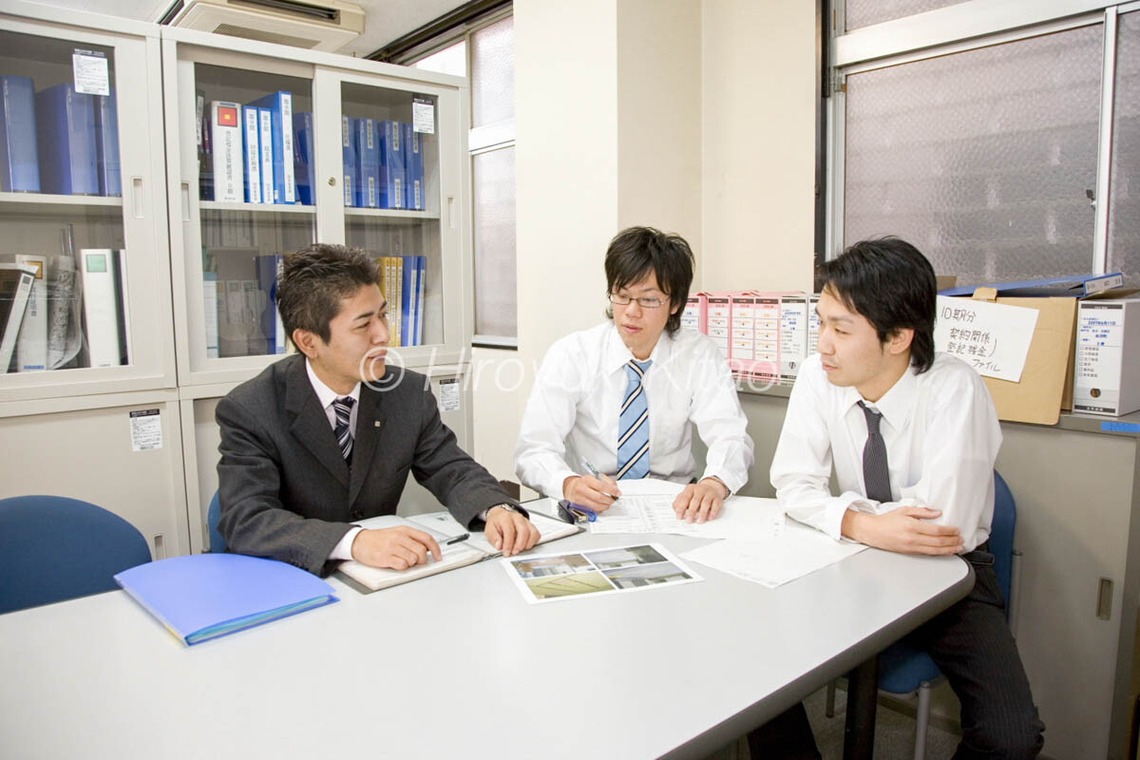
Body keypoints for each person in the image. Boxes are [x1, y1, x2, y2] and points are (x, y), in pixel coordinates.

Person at [770, 236, 1045, 757]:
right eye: (821, 323)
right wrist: (862, 524)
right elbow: (791, 482)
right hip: (851, 556)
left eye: (840, 330)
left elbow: (941, 527)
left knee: (1012, 737)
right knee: (757, 664)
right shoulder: (817, 375)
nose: (822, 344)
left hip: (950, 572)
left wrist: (839, 511)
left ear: (898, 337)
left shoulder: (955, 387)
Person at [216, 243, 539, 577]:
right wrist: (354, 541)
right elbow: (246, 519)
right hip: (294, 579)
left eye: (383, 315)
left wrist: (495, 507)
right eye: (363, 325)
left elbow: (450, 467)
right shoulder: (251, 409)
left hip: (381, 580)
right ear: (308, 342)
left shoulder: (407, 393)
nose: (384, 335)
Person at [513, 226, 754, 524]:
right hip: (592, 506)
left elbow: (731, 436)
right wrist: (567, 483)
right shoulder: (572, 355)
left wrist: (714, 483)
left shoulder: (699, 354)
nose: (631, 311)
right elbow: (533, 450)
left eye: (648, 300)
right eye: (622, 295)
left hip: (674, 506)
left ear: (675, 303)